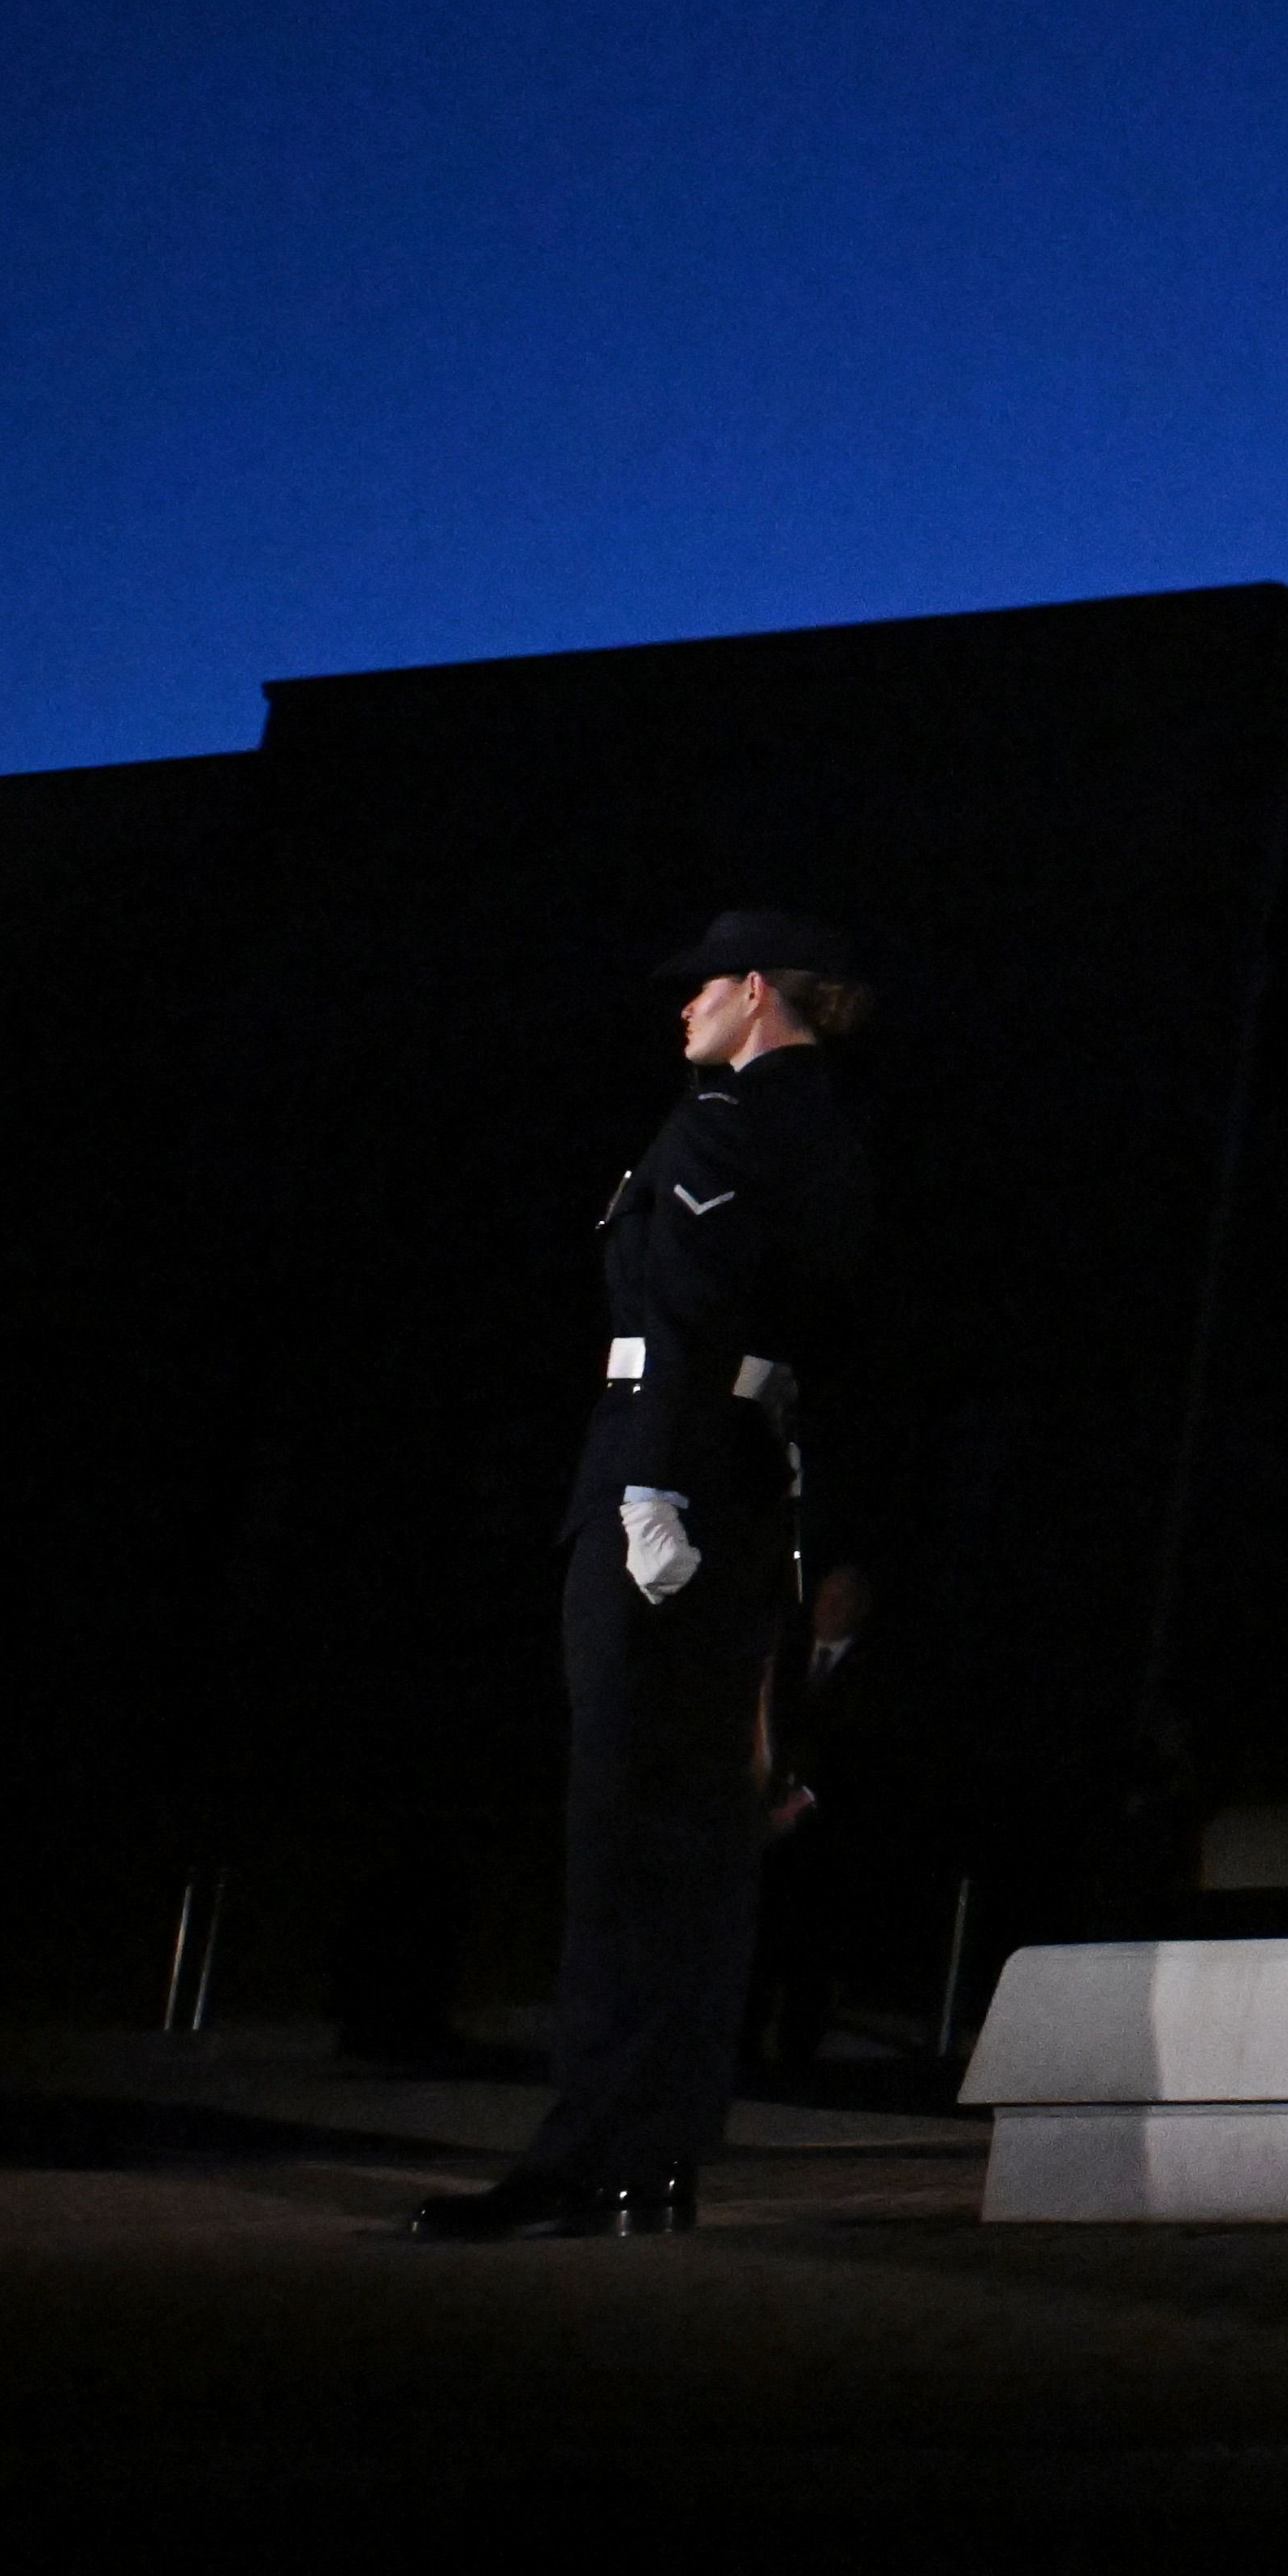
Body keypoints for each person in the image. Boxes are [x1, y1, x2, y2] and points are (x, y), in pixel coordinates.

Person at [409, 910, 872, 2240]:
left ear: (749, 995)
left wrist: (649, 1488)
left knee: (626, 1846)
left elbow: (688, 1308)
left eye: (699, 993)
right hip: (750, 1497)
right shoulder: (827, 1131)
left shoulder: (723, 1120)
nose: (682, 1016)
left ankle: (588, 2155)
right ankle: (651, 2158)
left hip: (663, 1493)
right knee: (701, 1857)